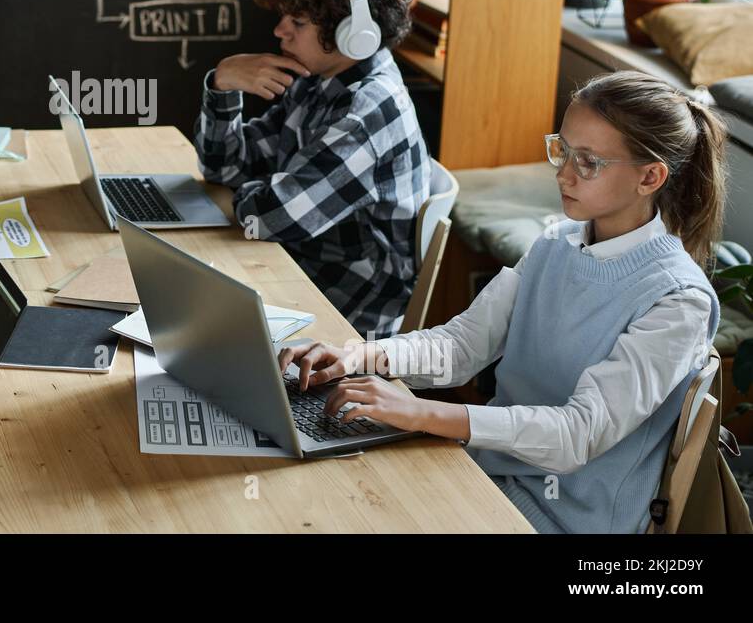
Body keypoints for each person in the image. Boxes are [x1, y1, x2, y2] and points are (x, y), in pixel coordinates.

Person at [279, 71, 725, 533]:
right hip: (485, 474)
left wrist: (421, 413)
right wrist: (362, 355)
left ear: (650, 176)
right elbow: (461, 346)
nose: (564, 173)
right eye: (563, 150)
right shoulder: (556, 244)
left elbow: (577, 435)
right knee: (323, 495)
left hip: (562, 518)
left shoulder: (678, 301)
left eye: (588, 162)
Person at [196, 0, 431, 338]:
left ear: (353, 32)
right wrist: (224, 82)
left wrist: (258, 189)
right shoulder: (317, 80)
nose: (279, 31)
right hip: (293, 274)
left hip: (340, 321)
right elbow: (227, 170)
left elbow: (273, 217)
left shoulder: (369, 111)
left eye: (297, 21)